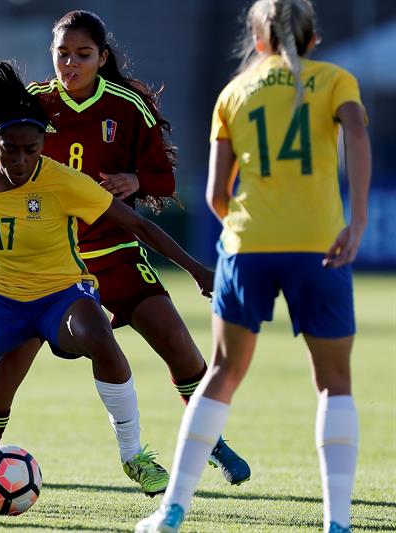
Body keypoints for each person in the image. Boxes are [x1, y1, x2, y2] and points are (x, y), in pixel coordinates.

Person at [0, 55, 214, 502]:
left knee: (99, 336)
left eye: (33, 149)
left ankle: (133, 456)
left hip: (62, 295)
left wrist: (197, 269)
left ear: (43, 144)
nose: (23, 159)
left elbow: (140, 226)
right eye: (12, 149)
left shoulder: (63, 181)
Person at [0, 10, 250, 506]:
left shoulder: (128, 106)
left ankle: (210, 440)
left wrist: (136, 181)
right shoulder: (30, 105)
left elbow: (164, 180)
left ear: (102, 58)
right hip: (47, 265)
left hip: (115, 250)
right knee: (5, 371)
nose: (71, 64)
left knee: (175, 339)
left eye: (82, 55)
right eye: (62, 54)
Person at [136, 0, 370, 531]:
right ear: (312, 38)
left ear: (257, 39)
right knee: (335, 383)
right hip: (319, 246)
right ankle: (337, 524)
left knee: (221, 374)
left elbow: (218, 195)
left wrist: (249, 227)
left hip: (248, 246)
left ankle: (172, 510)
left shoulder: (233, 93)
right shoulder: (334, 80)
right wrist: (354, 224)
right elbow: (356, 132)